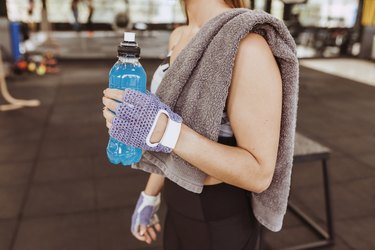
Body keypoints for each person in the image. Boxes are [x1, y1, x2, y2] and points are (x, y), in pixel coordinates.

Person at [102, 0, 284, 249]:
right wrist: (150, 195)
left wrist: (165, 130)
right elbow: (163, 136)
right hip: (176, 203)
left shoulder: (248, 46)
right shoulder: (179, 35)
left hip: (217, 216)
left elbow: (259, 174)